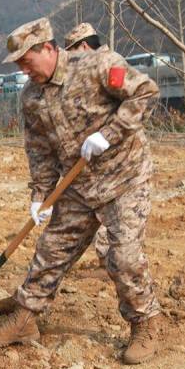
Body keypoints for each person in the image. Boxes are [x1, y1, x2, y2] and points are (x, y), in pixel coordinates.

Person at [0, 17, 161, 365]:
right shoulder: (31, 97)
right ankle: (25, 319)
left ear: (48, 48)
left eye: (26, 62)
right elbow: (40, 151)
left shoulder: (96, 65)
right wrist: (39, 196)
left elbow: (146, 92)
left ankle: (145, 322)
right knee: (52, 249)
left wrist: (108, 134)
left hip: (124, 177)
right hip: (77, 187)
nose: (23, 70)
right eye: (17, 65)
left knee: (122, 257)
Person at [66, 22, 110, 270]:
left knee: (108, 215)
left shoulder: (109, 66)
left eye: (71, 52)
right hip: (92, 160)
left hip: (113, 158)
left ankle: (112, 263)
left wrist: (105, 135)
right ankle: (108, 262)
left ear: (83, 46)